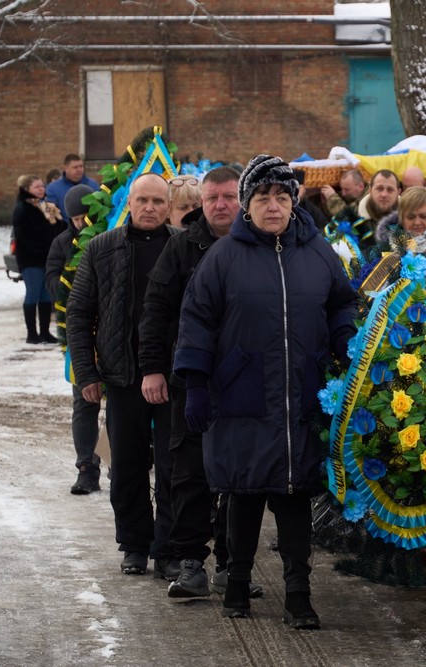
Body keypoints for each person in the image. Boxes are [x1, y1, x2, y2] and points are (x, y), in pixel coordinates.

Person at [174, 155, 358, 626]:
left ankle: (299, 593)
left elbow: (340, 304)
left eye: (281, 196)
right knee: (245, 492)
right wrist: (196, 384)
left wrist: (347, 345)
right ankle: (236, 584)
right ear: (246, 205)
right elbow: (196, 321)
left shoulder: (317, 252)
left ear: (293, 202)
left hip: (302, 392)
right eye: (262, 197)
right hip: (241, 393)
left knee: (295, 495)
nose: (272, 206)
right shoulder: (223, 258)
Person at [137, 166, 264, 601]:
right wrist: (152, 368)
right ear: (202, 202)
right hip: (191, 380)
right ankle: (190, 564)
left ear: (242, 199)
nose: (220, 205)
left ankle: (233, 565)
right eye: (212, 198)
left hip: (246, 383)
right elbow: (154, 311)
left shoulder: (263, 245)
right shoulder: (181, 248)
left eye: (229, 197)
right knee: (188, 472)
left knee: (240, 478)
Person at [66, 172, 179, 577]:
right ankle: (134, 543)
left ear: (168, 207)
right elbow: (79, 314)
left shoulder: (180, 247)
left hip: (173, 378)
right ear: (128, 203)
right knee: (127, 464)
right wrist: (86, 372)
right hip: (121, 375)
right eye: (142, 200)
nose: (150, 208)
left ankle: (168, 548)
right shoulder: (102, 249)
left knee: (172, 466)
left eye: (158, 202)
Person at [45, 184, 101, 494]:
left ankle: (116, 464)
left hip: (111, 333)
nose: (81, 224)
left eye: (85, 217)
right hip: (79, 334)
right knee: (84, 402)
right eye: (75, 219)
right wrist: (71, 285)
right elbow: (52, 279)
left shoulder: (109, 235)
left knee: (120, 407)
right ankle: (86, 467)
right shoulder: (63, 242)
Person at [12, 174, 65, 344]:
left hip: (47, 258)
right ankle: (31, 333)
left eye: (42, 186)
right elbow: (24, 236)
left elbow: (61, 226)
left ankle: (45, 331)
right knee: (33, 294)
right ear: (27, 190)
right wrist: (44, 248)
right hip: (31, 259)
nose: (41, 190)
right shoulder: (22, 208)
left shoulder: (47, 206)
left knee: (46, 295)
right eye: (37, 187)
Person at [375, 185, 426, 250]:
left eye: (424, 216)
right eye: (411, 217)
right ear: (401, 218)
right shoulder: (383, 248)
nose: (417, 222)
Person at [46, 153, 100, 221]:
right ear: (65, 168)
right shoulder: (53, 188)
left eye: (81, 166)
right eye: (75, 167)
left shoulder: (93, 184)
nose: (79, 169)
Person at [357, 169, 400, 234]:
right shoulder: (354, 224)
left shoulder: (411, 223)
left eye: (390, 190)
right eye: (379, 189)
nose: (384, 195)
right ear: (370, 191)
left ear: (398, 192)